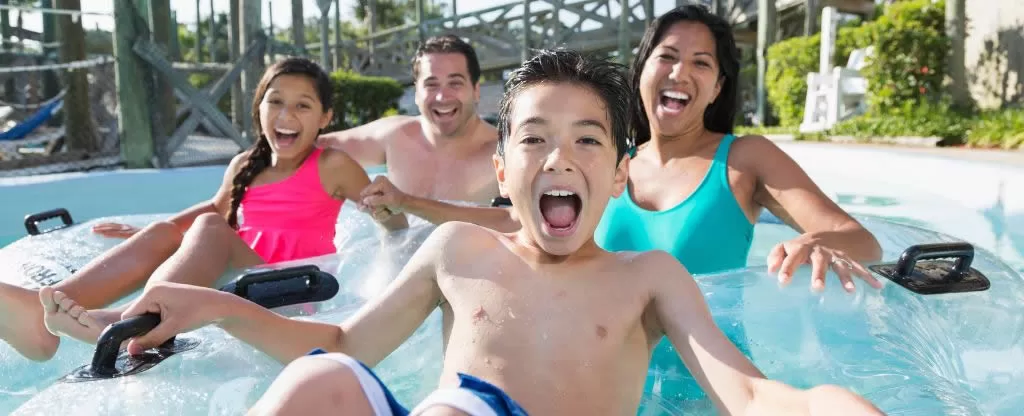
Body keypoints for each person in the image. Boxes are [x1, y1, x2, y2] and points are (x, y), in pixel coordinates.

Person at [117, 49, 883, 416]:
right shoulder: (460, 250)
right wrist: (214, 306)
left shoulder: (646, 279)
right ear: (502, 170)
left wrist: (829, 405)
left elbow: (746, 392)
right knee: (320, 382)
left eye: (587, 140)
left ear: (620, 175)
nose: (559, 158)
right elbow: (345, 342)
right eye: (534, 140)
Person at [358, 5, 882, 291]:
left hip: (706, 389)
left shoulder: (745, 159)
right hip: (606, 378)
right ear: (642, 68)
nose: (680, 72)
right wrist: (407, 202)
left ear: (718, 87)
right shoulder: (607, 159)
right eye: (667, 56)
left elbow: (859, 239)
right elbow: (511, 218)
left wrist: (816, 244)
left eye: (701, 63)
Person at [0, 57, 407, 361]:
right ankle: (41, 311)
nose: (286, 115)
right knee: (167, 231)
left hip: (291, 291)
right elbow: (213, 207)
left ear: (325, 118)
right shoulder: (245, 164)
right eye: (276, 101)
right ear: (259, 108)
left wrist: (387, 215)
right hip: (240, 283)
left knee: (210, 228)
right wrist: (150, 235)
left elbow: (393, 218)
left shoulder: (330, 164)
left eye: (303, 106)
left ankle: (125, 320)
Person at [314, 34, 501, 207]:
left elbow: (510, 221)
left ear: (476, 90)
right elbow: (315, 146)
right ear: (417, 93)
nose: (442, 97)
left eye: (455, 83)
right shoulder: (394, 136)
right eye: (431, 85)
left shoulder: (502, 153)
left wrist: (406, 203)